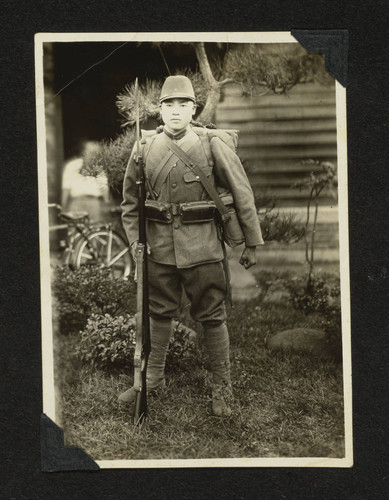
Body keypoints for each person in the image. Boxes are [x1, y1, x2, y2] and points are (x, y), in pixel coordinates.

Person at [119, 75, 264, 416]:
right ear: (159, 110)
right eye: (168, 105)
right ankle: (150, 380)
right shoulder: (143, 148)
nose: (175, 112)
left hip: (203, 248)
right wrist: (137, 242)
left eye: (183, 105)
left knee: (212, 316)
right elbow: (129, 204)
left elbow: (242, 193)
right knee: (158, 313)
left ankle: (221, 388)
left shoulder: (212, 143)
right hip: (158, 249)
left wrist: (251, 243)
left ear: (193, 109)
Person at [61, 140, 110, 222]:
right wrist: (64, 207)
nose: (93, 154)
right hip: (77, 203)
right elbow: (66, 188)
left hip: (94, 203)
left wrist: (107, 203)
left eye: (95, 152)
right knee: (76, 231)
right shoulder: (72, 165)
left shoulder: (99, 167)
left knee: (95, 231)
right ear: (84, 151)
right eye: (90, 151)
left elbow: (104, 187)